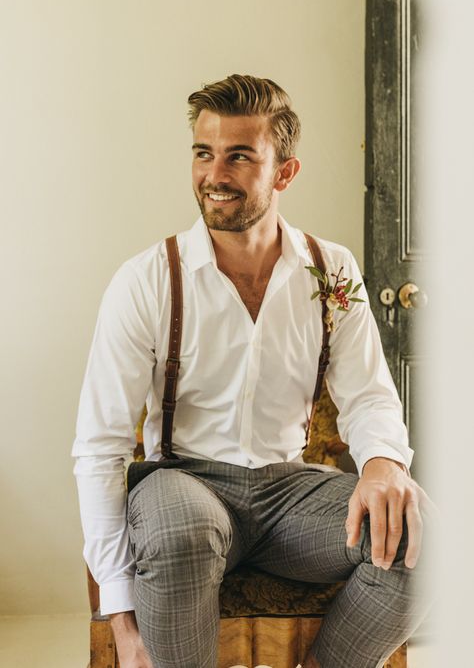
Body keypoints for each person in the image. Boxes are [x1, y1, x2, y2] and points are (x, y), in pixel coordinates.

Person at [73, 74, 432, 668]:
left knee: (425, 536)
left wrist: (383, 465)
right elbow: (100, 446)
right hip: (183, 482)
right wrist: (122, 621)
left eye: (239, 156)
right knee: (179, 533)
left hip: (290, 493)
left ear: (285, 172)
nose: (215, 175)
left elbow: (368, 394)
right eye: (204, 153)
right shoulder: (148, 279)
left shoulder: (330, 269)